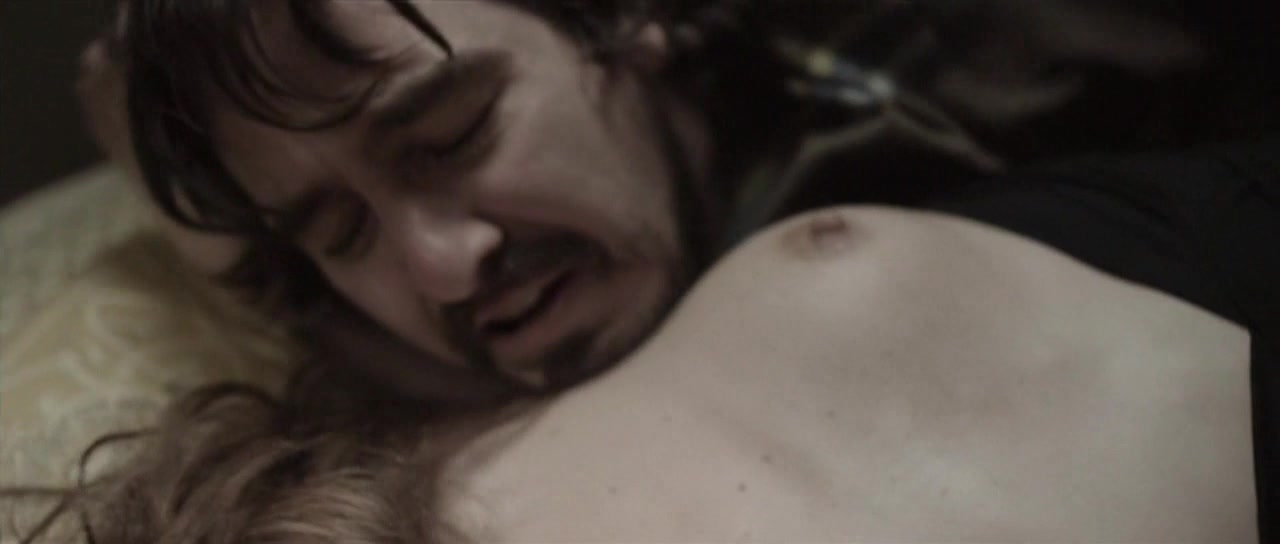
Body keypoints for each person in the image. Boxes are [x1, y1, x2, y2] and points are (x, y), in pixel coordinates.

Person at [12, 0, 1277, 540]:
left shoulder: (974, 72)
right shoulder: (392, 383)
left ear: (627, 21)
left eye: (451, 133)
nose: (441, 268)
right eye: (340, 230)